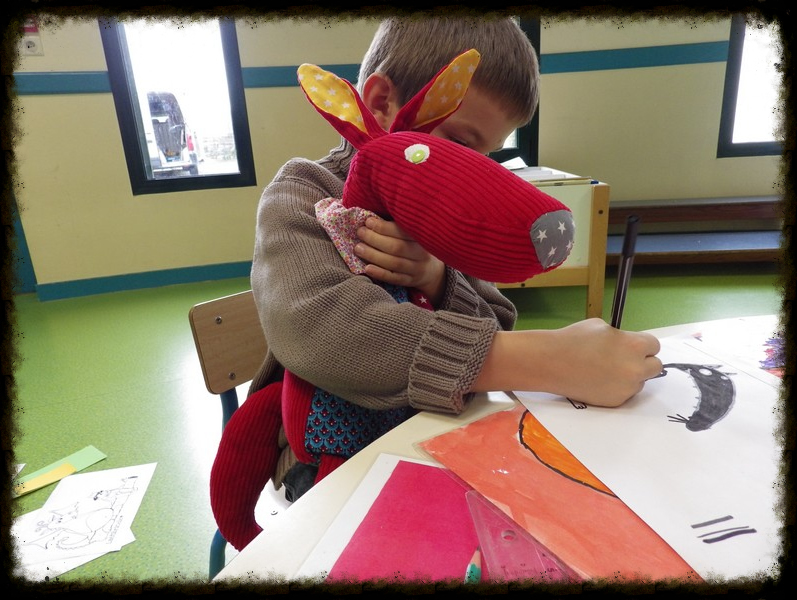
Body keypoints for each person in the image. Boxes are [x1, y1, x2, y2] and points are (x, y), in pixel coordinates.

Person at [210, 16, 662, 551]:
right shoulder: (302, 191)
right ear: (381, 103)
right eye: (460, 143)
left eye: (487, 156)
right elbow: (326, 334)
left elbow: (497, 319)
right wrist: (548, 361)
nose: (473, 172)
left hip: (440, 425)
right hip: (325, 457)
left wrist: (438, 277)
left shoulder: (444, 216)